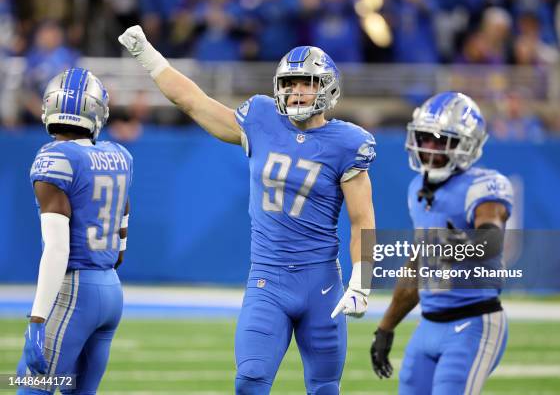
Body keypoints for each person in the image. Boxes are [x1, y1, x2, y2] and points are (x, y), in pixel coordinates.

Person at [118, 26, 376, 394]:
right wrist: (147, 54)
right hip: (268, 280)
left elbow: (362, 219)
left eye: (307, 83)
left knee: (324, 388)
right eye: (290, 84)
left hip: (322, 283)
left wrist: (362, 281)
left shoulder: (347, 143)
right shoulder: (261, 119)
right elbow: (193, 101)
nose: (296, 91)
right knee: (250, 381)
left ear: (327, 87)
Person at [370, 92, 513, 394]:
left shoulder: (483, 186)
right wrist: (385, 327)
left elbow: (491, 239)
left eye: (441, 139)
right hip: (429, 326)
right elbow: (417, 267)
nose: (429, 147)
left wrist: (452, 245)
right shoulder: (416, 189)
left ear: (467, 143)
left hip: (473, 322)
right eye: (425, 138)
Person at [16, 67, 133, 394]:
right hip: (111, 289)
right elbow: (123, 225)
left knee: (31, 388)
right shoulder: (118, 155)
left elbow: (57, 249)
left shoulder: (54, 158)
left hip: (76, 291)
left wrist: (38, 320)